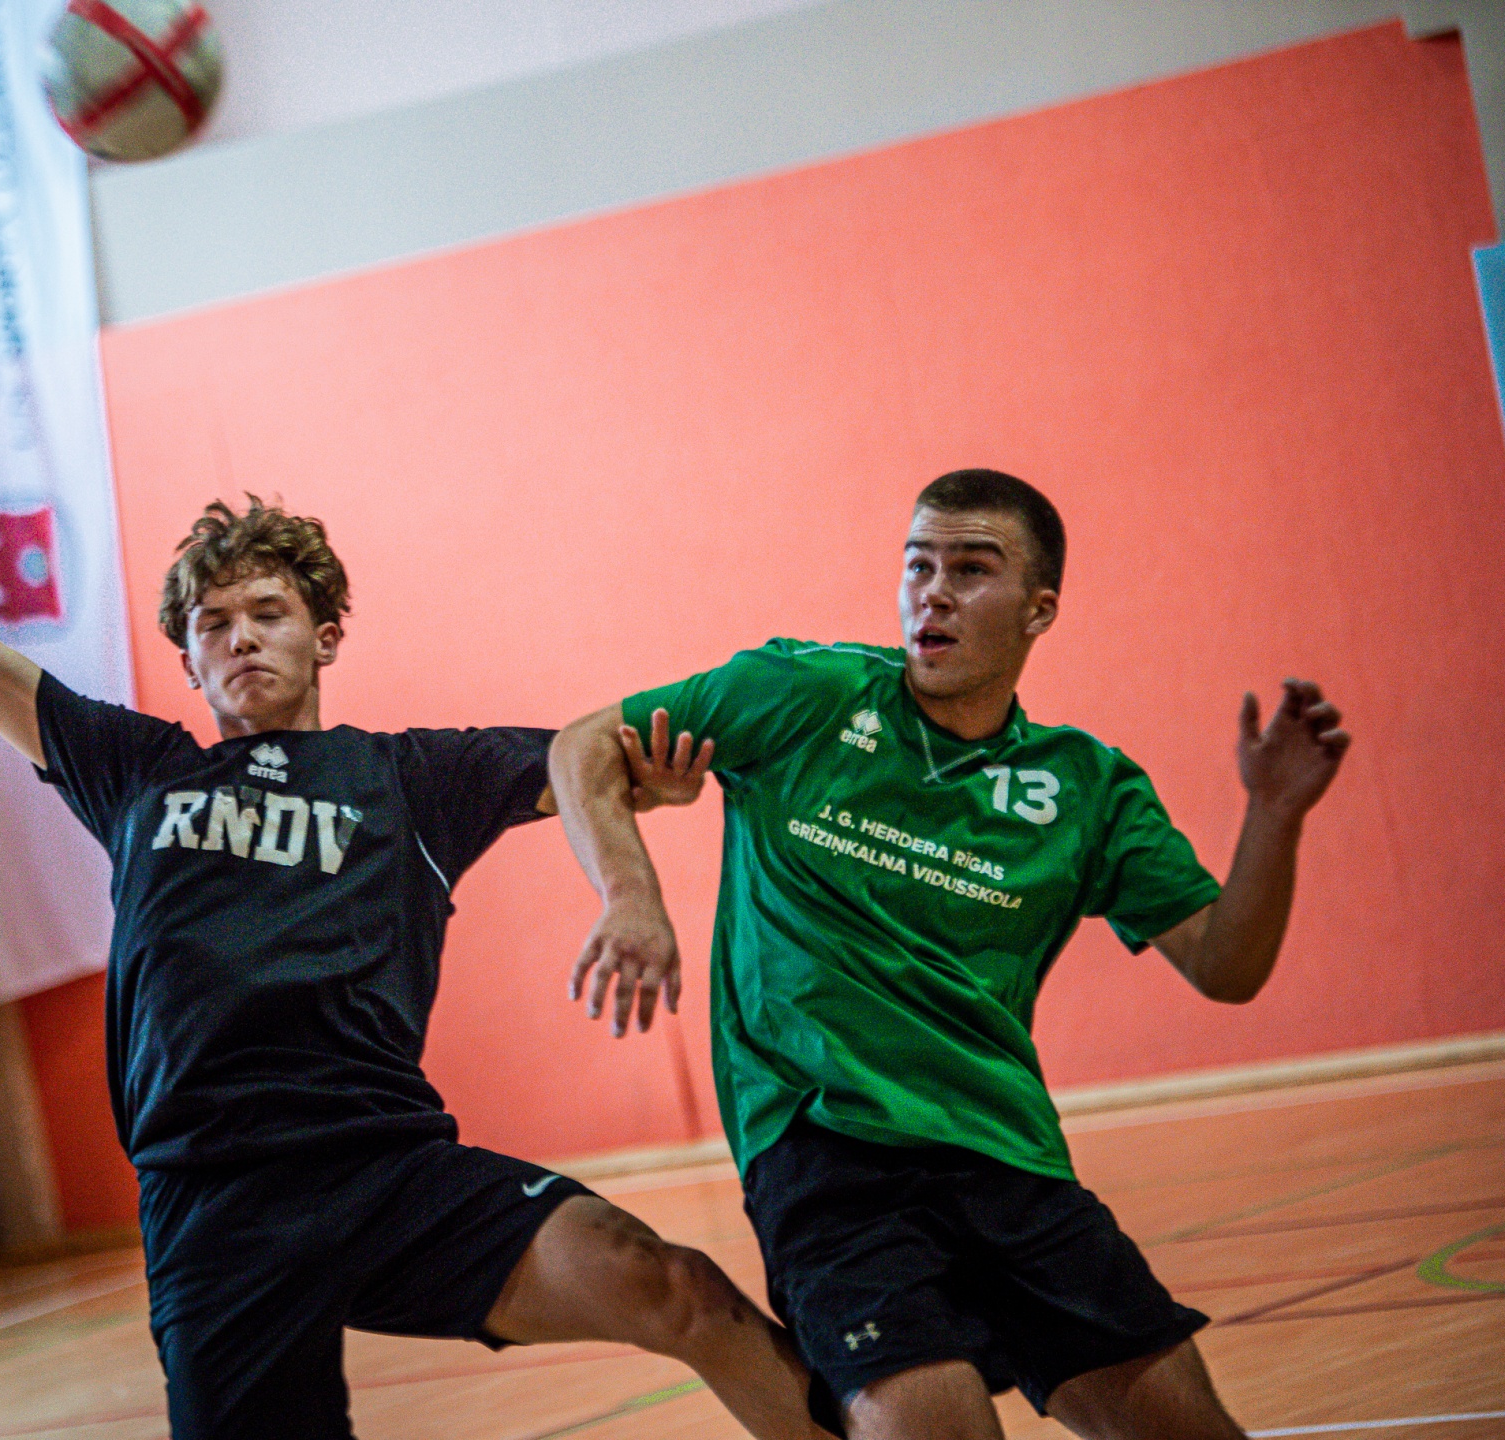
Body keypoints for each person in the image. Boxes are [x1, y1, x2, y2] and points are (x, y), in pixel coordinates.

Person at [0, 322, 834, 1440]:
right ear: (188, 659)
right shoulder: (137, 772)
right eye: (213, 625)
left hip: (386, 1169)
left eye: (269, 613)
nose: (242, 639)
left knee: (673, 1286)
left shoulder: (411, 778)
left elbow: (587, 753)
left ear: (325, 636)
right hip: (215, 1204)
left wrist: (650, 814)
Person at [548, 468, 1352, 1440]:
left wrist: (1273, 815)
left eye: (970, 570)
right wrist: (631, 896)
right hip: (827, 1155)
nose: (933, 593)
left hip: (1007, 1155)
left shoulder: (1085, 787)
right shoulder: (805, 694)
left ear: (1038, 609)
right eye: (918, 565)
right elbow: (584, 743)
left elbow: (1225, 966)